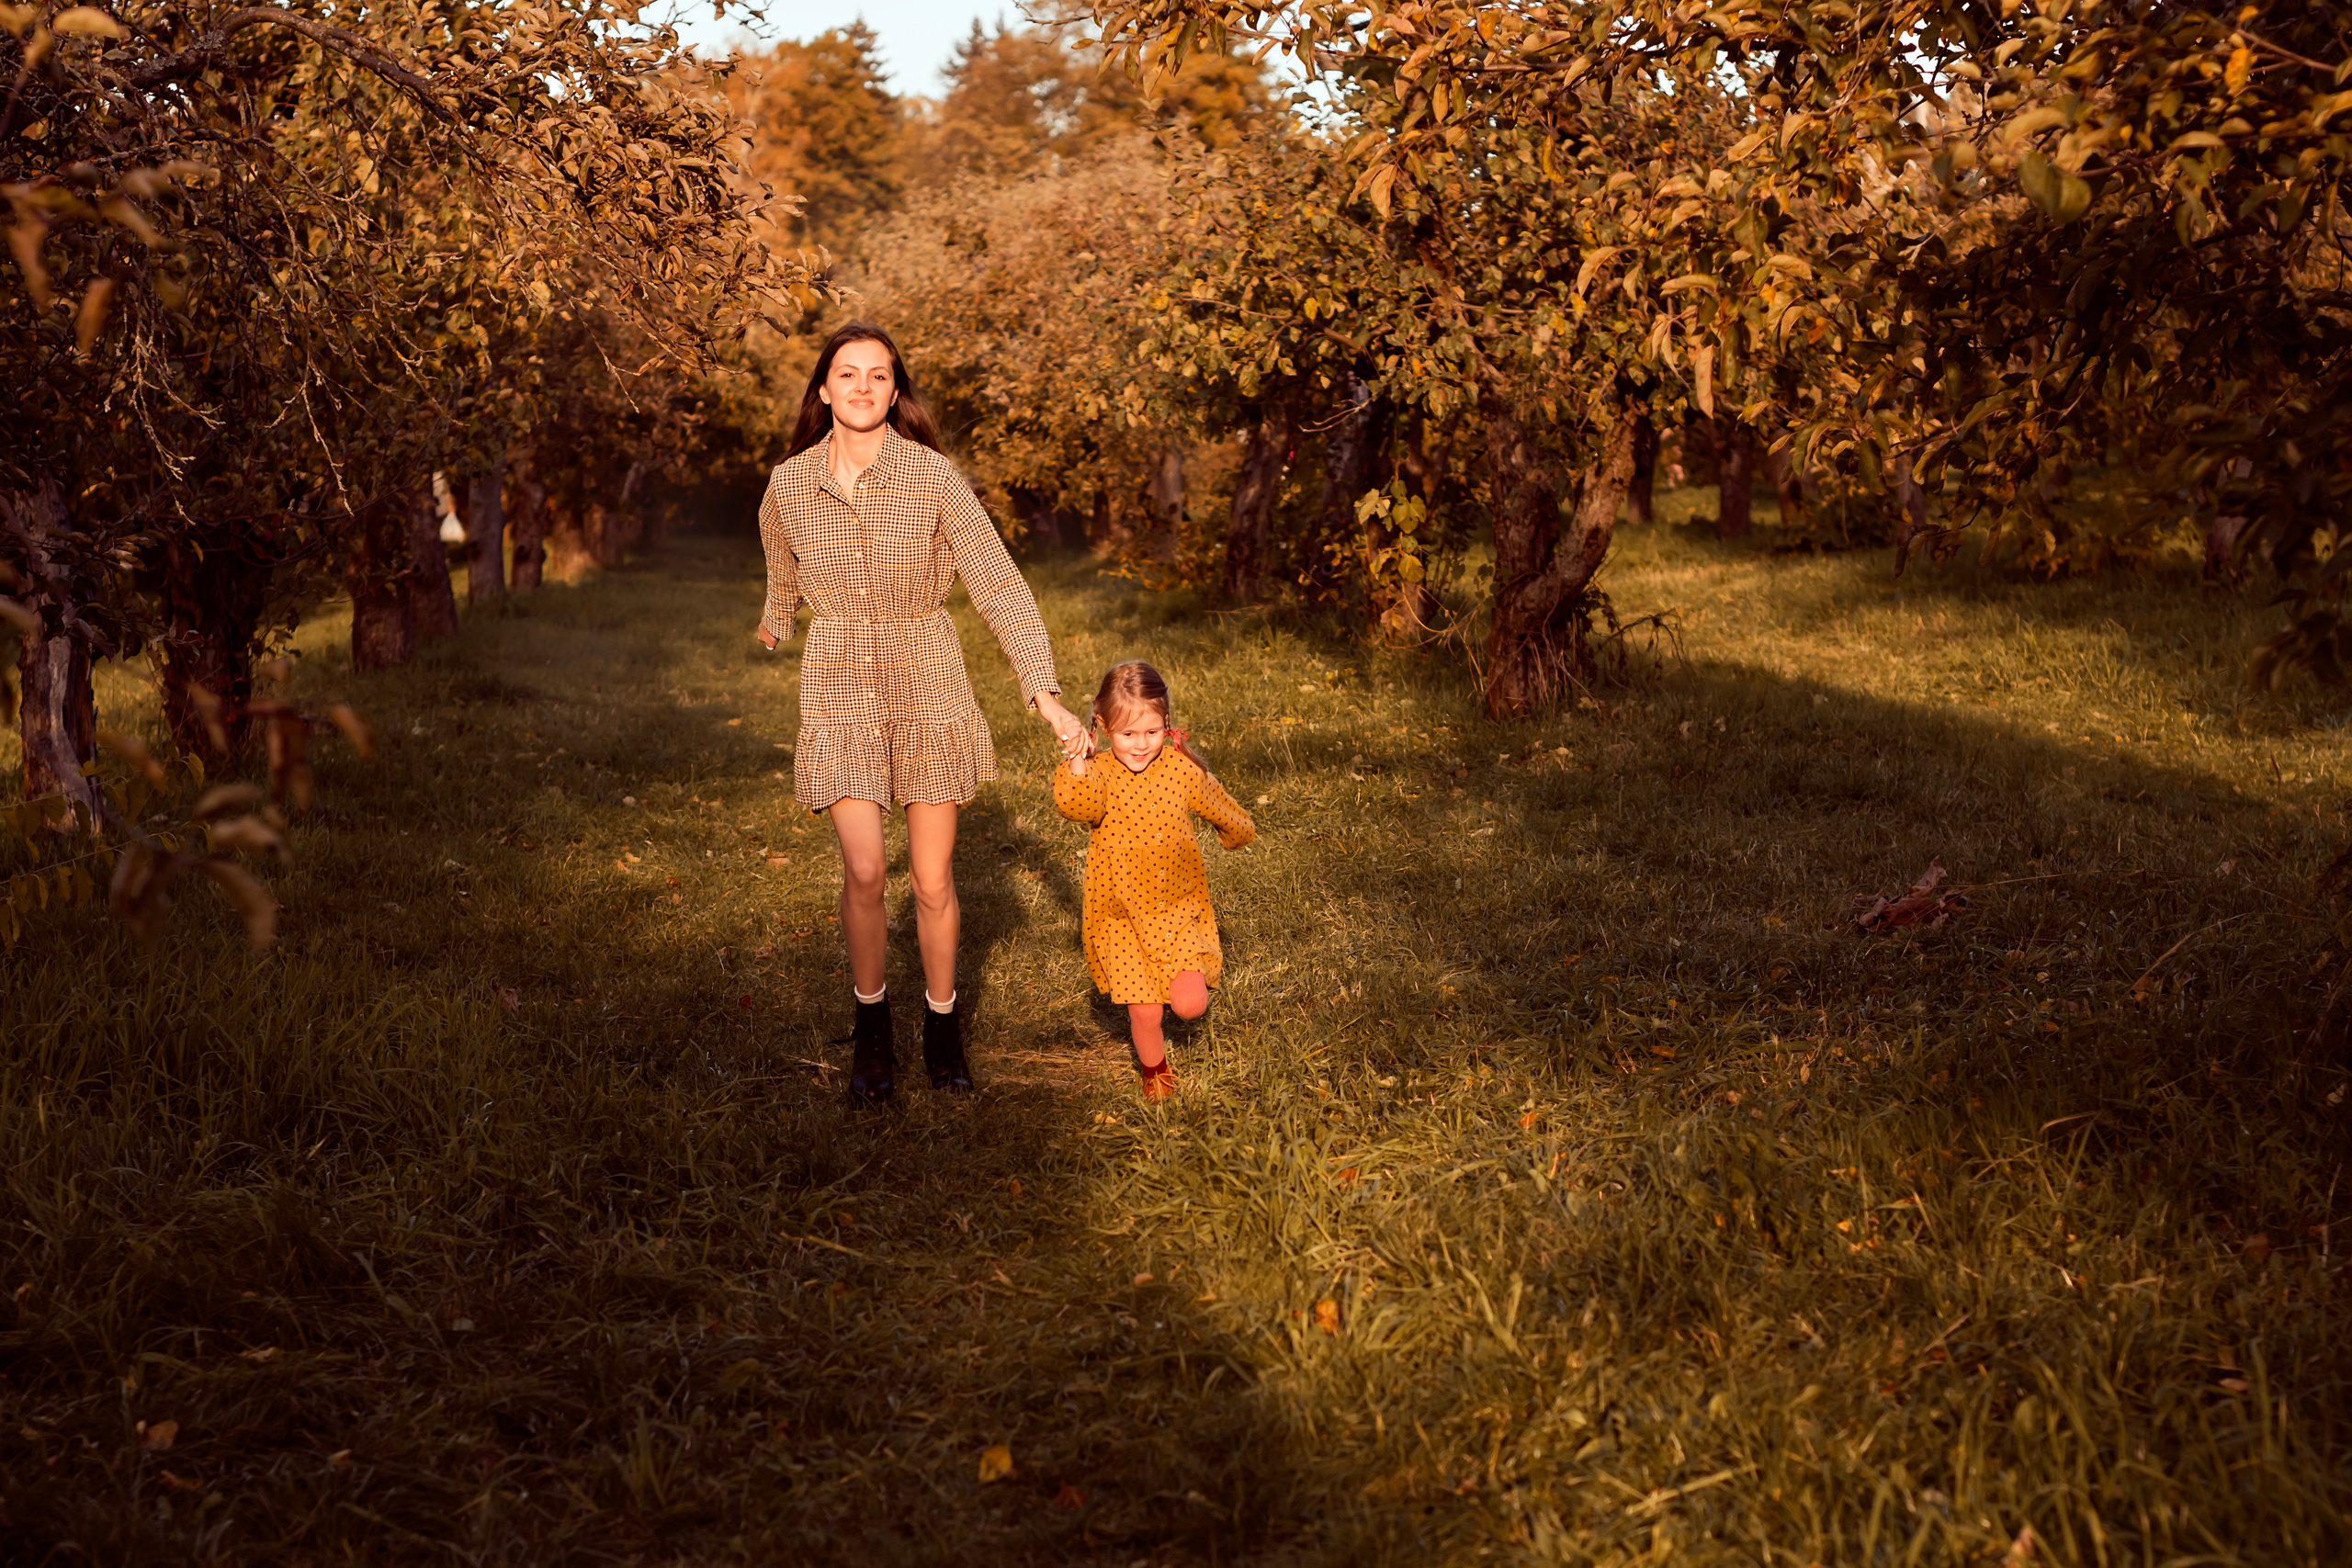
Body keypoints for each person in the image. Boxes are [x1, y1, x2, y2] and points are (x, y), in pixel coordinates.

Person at [756, 322, 1091, 1102]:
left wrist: (1044, 694)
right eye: (848, 374)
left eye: (880, 376)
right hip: (837, 676)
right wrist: (776, 614)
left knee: (934, 880)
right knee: (867, 871)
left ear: (896, 392)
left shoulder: (936, 479)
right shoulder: (788, 485)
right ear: (824, 390)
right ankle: (872, 1029)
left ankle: (941, 1023)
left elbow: (999, 584)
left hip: (929, 675)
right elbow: (781, 565)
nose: (864, 388)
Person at [1053, 660, 1254, 1100]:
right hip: (1121, 917)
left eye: (1151, 731)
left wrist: (1237, 829)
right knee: (1145, 1012)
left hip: (1178, 910)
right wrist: (1079, 761)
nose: (1141, 745)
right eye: (1128, 734)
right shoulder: (1101, 774)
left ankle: (1173, 980)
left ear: (1166, 724)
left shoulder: (1181, 771)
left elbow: (1218, 804)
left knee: (1189, 1004)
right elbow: (1075, 806)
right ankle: (1154, 1069)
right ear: (1103, 727)